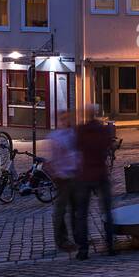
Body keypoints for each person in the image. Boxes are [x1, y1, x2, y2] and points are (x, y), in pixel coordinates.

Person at [72, 105, 116, 259]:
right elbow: (109, 147)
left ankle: (83, 250)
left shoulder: (81, 130)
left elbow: (76, 148)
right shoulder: (103, 130)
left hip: (85, 175)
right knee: (107, 211)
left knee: (82, 215)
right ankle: (110, 246)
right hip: (101, 174)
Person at [45, 109, 79, 252]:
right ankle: (62, 240)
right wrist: (57, 174)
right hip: (63, 178)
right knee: (60, 210)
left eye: (67, 118)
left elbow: (77, 153)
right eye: (63, 119)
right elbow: (53, 159)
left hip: (75, 175)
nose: (66, 121)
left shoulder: (72, 134)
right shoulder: (55, 137)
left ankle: (78, 237)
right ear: (59, 120)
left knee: (76, 210)